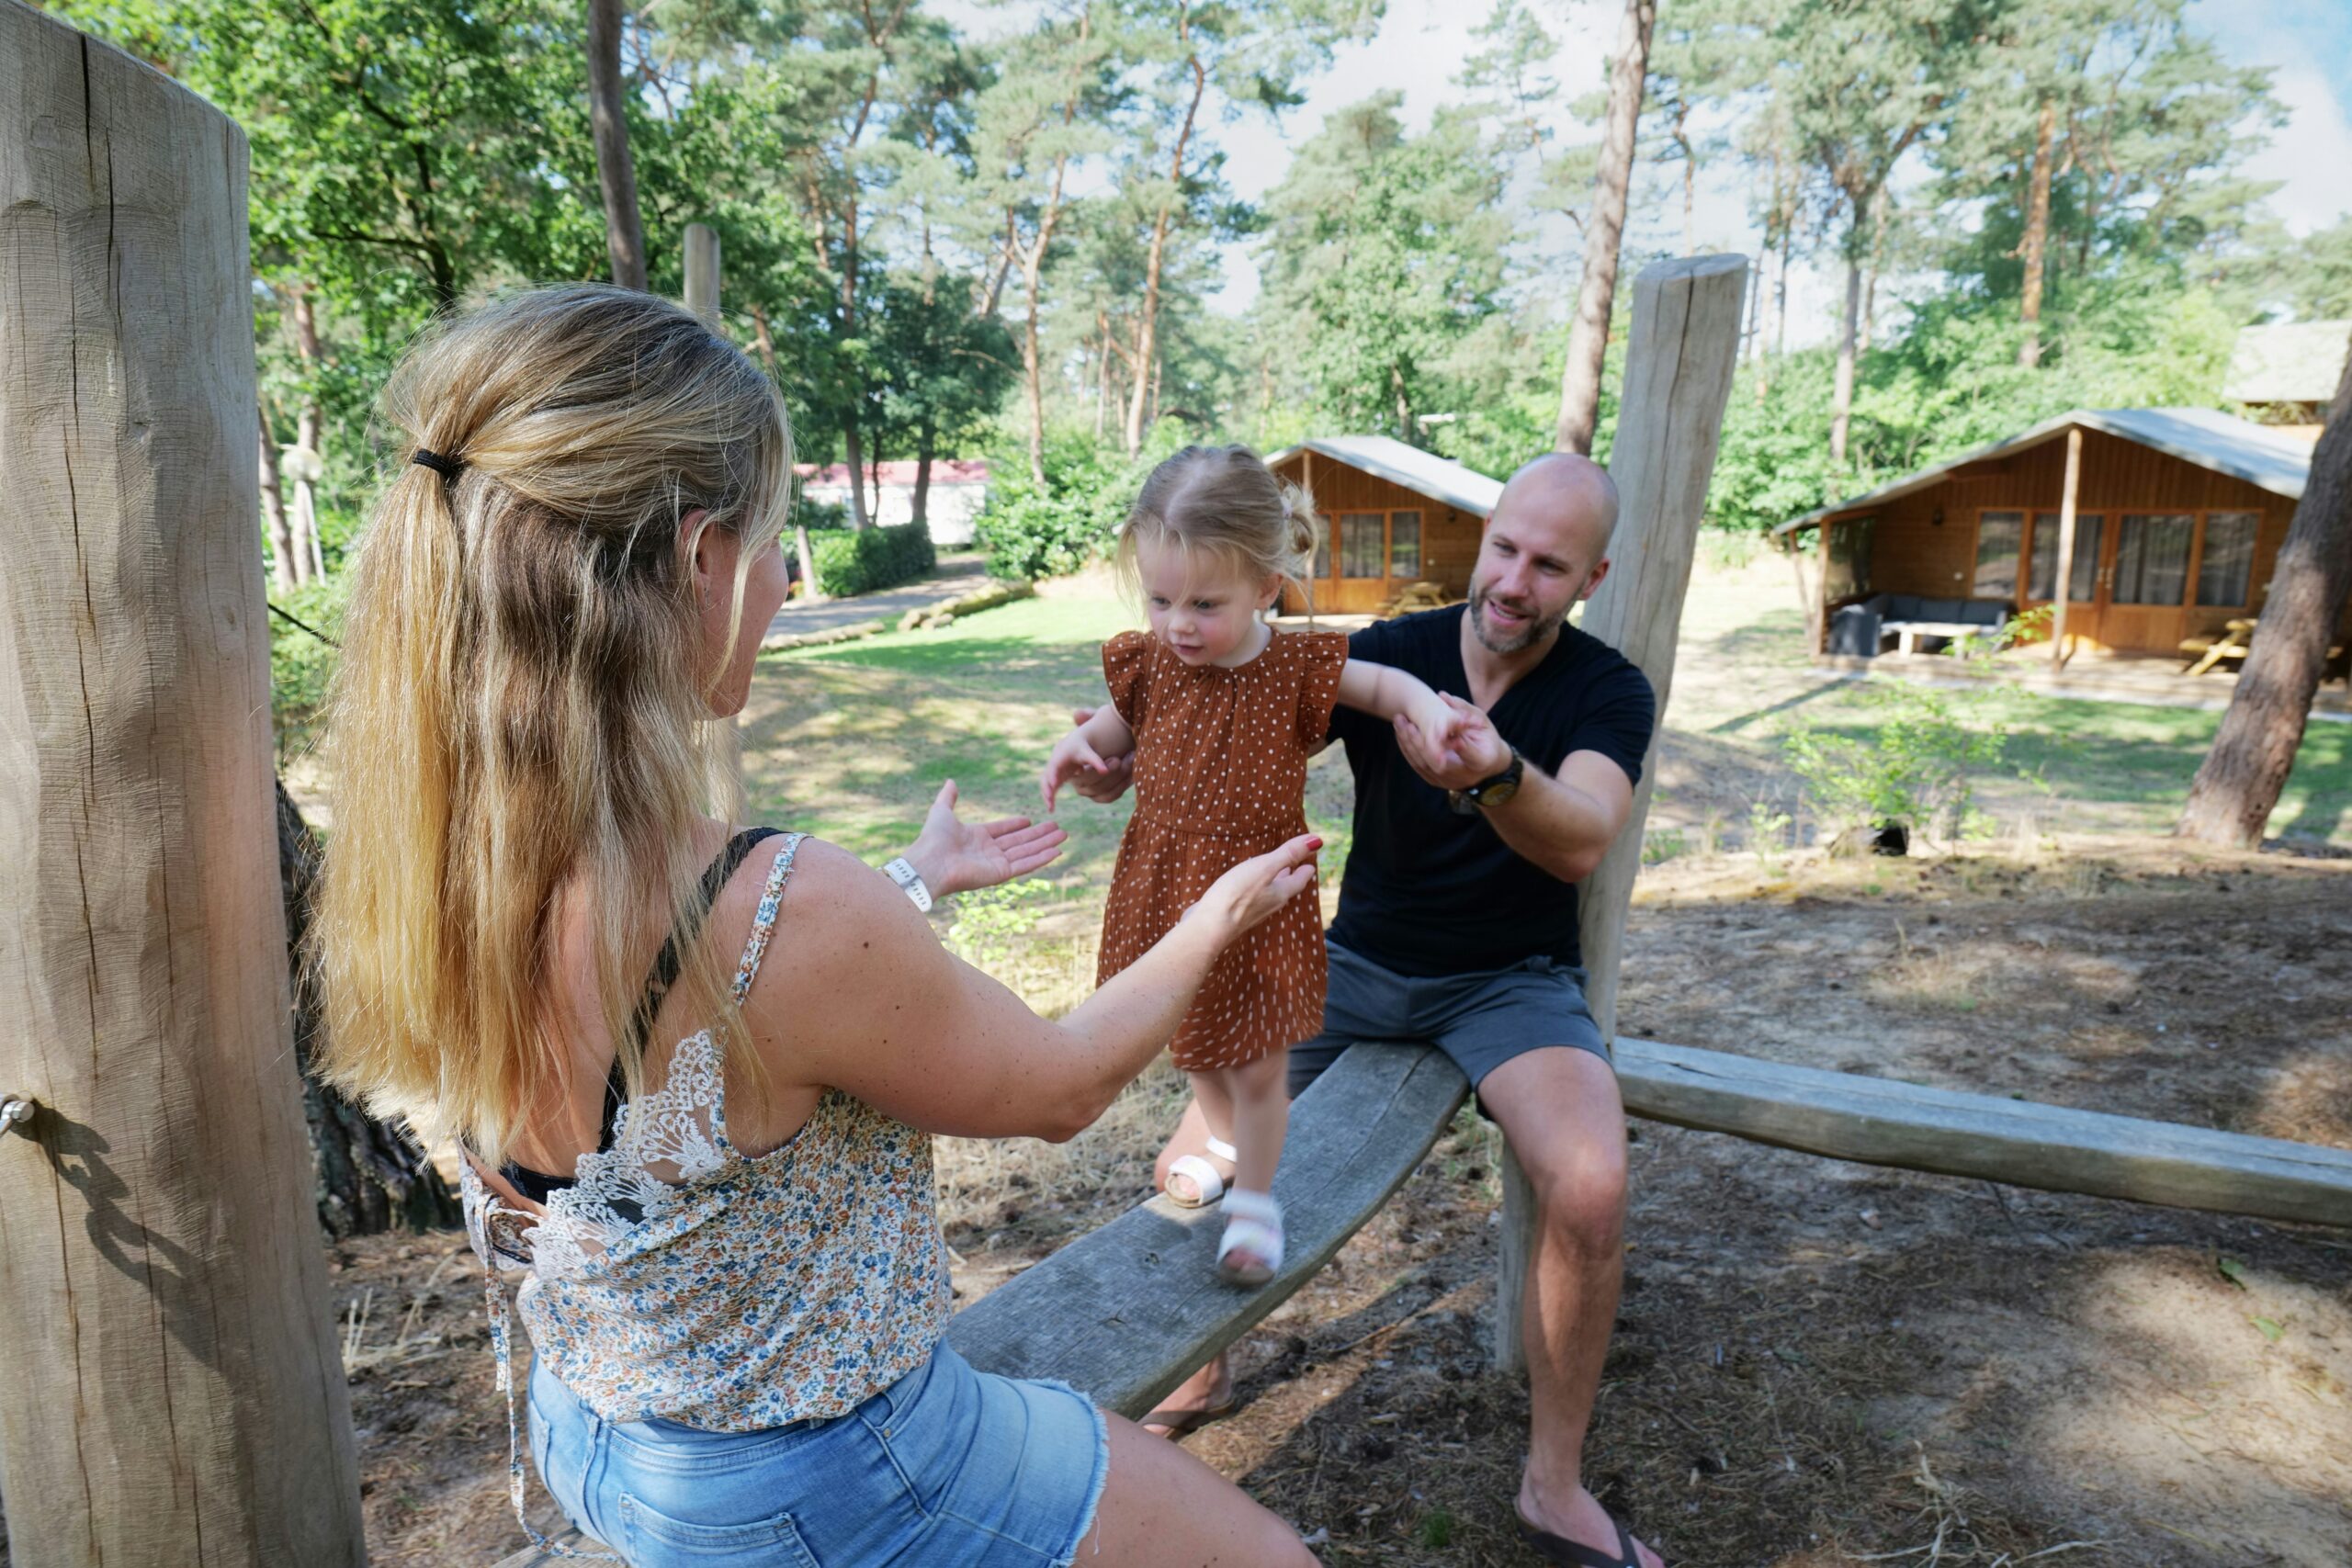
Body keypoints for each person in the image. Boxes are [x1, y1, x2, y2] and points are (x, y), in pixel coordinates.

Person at [311, 287, 1324, 1568]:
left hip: (596, 1435)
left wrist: (913, 879)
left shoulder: (437, 854)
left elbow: (699, 996)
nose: (786, 584)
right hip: (824, 1479)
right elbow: (1062, 1086)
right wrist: (1216, 918)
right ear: (701, 560)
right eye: (777, 544)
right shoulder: (785, 901)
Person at [1071, 453, 1667, 1567]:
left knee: (1591, 1185)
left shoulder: (1607, 690)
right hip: (1350, 965)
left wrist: (1492, 773)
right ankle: (1202, 1370)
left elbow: (1584, 835)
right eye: (1504, 548)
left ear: (1590, 576)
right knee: (1185, 1171)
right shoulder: (1393, 649)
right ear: (1483, 539)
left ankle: (1553, 1487)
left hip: (1509, 980)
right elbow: (1228, 694)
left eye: (1548, 566)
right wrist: (1123, 759)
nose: (1513, 581)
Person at [1040, 445, 1464, 1290]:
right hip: (1168, 886)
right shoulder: (1152, 662)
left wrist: (1427, 707)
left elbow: (1385, 688)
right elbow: (1108, 736)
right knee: (1191, 1039)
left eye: (1205, 603)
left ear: (1267, 586)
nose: (1177, 623)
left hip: (1263, 893)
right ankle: (1226, 1137)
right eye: (1160, 598)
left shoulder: (1294, 667)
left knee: (1261, 1058)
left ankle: (1257, 1202)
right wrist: (1075, 748)